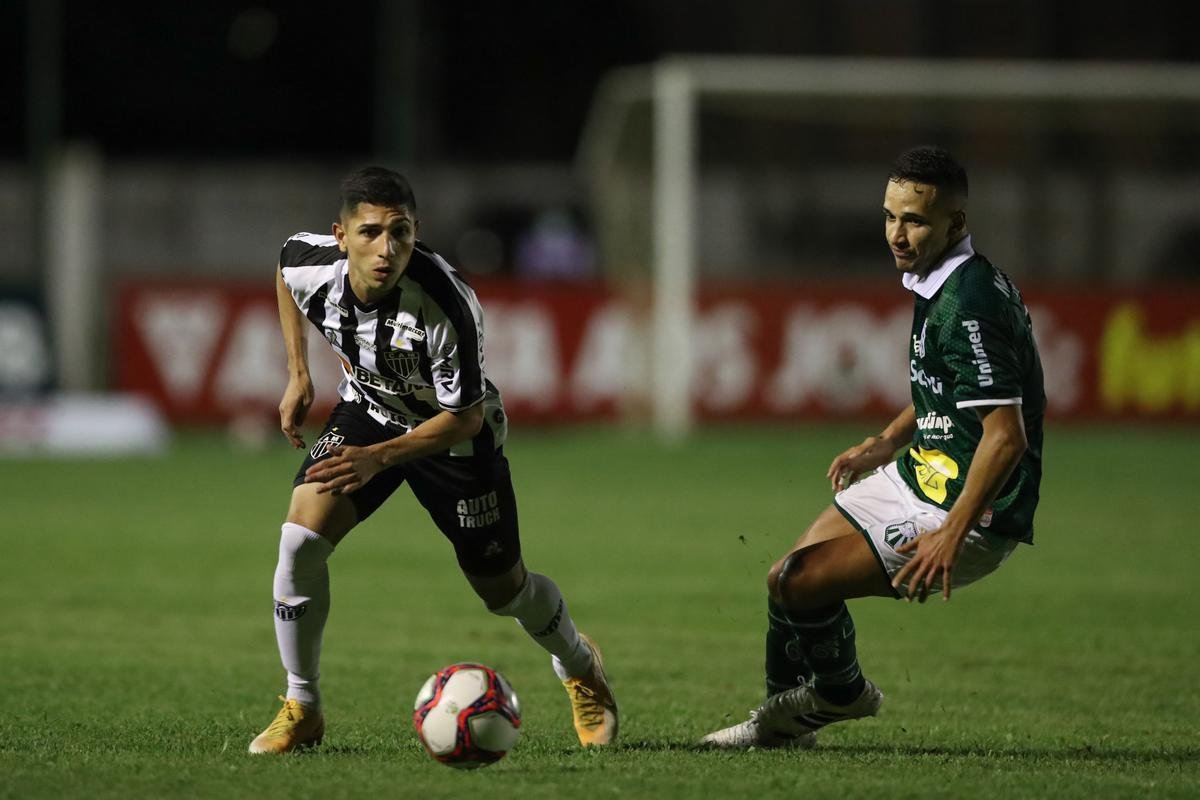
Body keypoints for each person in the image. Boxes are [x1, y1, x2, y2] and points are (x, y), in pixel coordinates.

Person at [248, 166, 617, 754]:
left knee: (505, 592)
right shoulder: (307, 261)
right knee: (299, 540)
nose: (386, 249)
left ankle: (579, 665)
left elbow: (465, 416)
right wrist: (298, 373)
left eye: (400, 232)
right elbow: (283, 273)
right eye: (369, 232)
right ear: (340, 237)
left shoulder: (446, 302)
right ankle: (303, 705)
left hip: (454, 440)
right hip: (368, 412)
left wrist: (378, 459)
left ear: (416, 232)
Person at [701, 145, 1045, 748]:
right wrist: (886, 441)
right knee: (785, 580)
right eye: (890, 215)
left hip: (966, 507)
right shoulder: (943, 280)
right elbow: (951, 390)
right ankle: (783, 725)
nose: (897, 233)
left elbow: (1005, 435)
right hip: (920, 472)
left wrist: (952, 533)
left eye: (914, 220)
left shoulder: (970, 302)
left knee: (801, 582)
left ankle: (842, 694)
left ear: (955, 223)